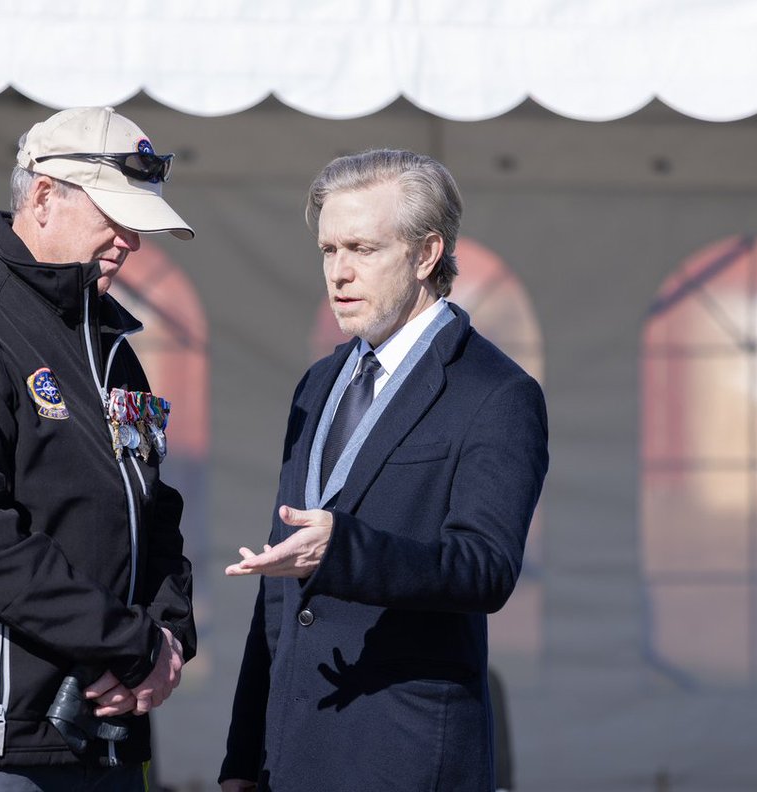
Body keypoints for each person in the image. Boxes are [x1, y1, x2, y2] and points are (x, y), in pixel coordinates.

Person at [0, 106, 197, 792]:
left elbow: (153, 509)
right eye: (116, 216)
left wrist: (168, 635)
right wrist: (128, 643)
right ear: (44, 197)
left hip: (105, 734)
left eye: (139, 223)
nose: (131, 242)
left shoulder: (110, 347)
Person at [219, 149, 549, 791]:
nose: (338, 272)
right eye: (328, 249)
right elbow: (281, 590)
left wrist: (343, 549)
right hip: (289, 756)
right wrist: (244, 756)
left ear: (427, 254)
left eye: (362, 249)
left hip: (405, 755)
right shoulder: (319, 383)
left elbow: (485, 569)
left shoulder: (496, 393)